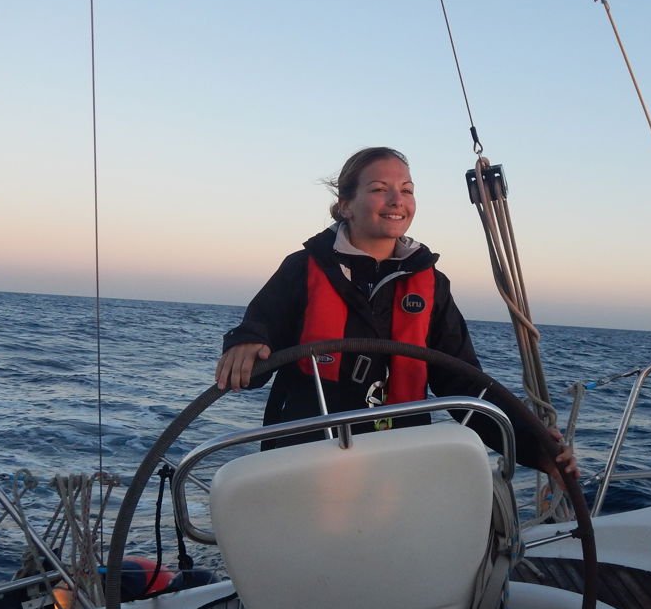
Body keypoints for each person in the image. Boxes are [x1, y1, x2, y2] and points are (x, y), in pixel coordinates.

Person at [215, 146, 578, 483]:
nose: (396, 201)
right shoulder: (302, 269)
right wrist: (245, 343)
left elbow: (464, 382)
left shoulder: (432, 285)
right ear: (345, 205)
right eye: (379, 189)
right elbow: (258, 332)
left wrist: (535, 448)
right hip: (304, 458)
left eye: (406, 190)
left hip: (396, 464)